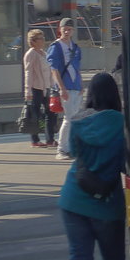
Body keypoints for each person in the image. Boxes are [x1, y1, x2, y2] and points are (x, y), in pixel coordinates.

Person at [59, 72, 130, 260]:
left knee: (79, 257)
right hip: (106, 204)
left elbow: (74, 152)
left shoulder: (79, 121)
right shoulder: (122, 123)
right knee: (114, 258)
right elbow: (124, 165)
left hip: (73, 197)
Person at [47, 17, 83, 159]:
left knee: (74, 119)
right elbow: (54, 69)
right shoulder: (55, 47)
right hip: (65, 86)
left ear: (73, 31)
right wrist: (61, 88)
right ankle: (61, 150)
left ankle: (69, 148)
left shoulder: (75, 47)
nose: (67, 31)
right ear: (60, 30)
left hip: (75, 86)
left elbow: (78, 67)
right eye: (64, 29)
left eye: (69, 29)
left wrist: (81, 85)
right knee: (69, 118)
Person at [22, 28, 56, 147]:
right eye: (40, 38)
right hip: (36, 88)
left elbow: (50, 71)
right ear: (33, 41)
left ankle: (50, 138)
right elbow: (28, 73)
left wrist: (53, 85)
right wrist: (28, 90)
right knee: (35, 115)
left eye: (43, 38)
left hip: (46, 88)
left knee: (50, 113)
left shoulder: (43, 53)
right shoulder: (31, 54)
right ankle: (35, 139)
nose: (43, 41)